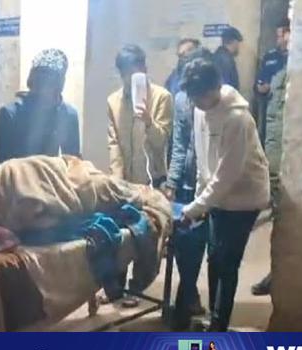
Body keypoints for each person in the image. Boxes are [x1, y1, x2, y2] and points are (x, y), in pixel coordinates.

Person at [180, 58, 270, 332]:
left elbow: (226, 175)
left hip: (244, 198)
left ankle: (219, 325)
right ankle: (213, 316)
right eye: (193, 98)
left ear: (215, 88)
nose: (197, 103)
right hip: (217, 195)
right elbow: (203, 162)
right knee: (214, 257)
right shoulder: (200, 110)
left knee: (227, 260)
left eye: (201, 96)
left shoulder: (237, 119)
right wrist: (199, 200)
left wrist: (195, 208)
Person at [164, 47, 214, 330]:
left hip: (210, 185)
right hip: (186, 181)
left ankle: (184, 303)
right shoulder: (182, 100)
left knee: (200, 245)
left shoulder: (219, 102)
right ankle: (189, 294)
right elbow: (180, 143)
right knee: (183, 246)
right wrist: (172, 181)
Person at [0, 49, 80, 163]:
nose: (41, 89)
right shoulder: (10, 115)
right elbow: (5, 167)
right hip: (19, 173)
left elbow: (73, 164)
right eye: (38, 82)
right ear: (31, 82)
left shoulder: (68, 115)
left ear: (59, 86)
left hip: (51, 173)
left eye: (48, 83)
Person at [108, 44, 173, 187]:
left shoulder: (162, 97)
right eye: (126, 73)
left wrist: (149, 123)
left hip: (153, 181)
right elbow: (114, 145)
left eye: (134, 73)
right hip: (125, 181)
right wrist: (117, 181)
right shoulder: (113, 101)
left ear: (144, 70)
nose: (129, 78)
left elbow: (162, 142)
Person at [251, 67, 288, 296]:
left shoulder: (294, 74)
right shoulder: (279, 72)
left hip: (288, 162)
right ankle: (277, 272)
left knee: (284, 219)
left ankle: (279, 273)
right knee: (279, 217)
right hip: (274, 157)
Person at [255, 18, 290, 145]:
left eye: (279, 36)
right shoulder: (270, 56)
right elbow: (259, 82)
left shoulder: (296, 57)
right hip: (271, 107)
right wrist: (262, 87)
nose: (278, 40)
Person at [213, 26, 243, 90]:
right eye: (238, 43)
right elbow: (226, 87)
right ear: (234, 41)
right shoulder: (226, 60)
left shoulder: (219, 55)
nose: (239, 46)